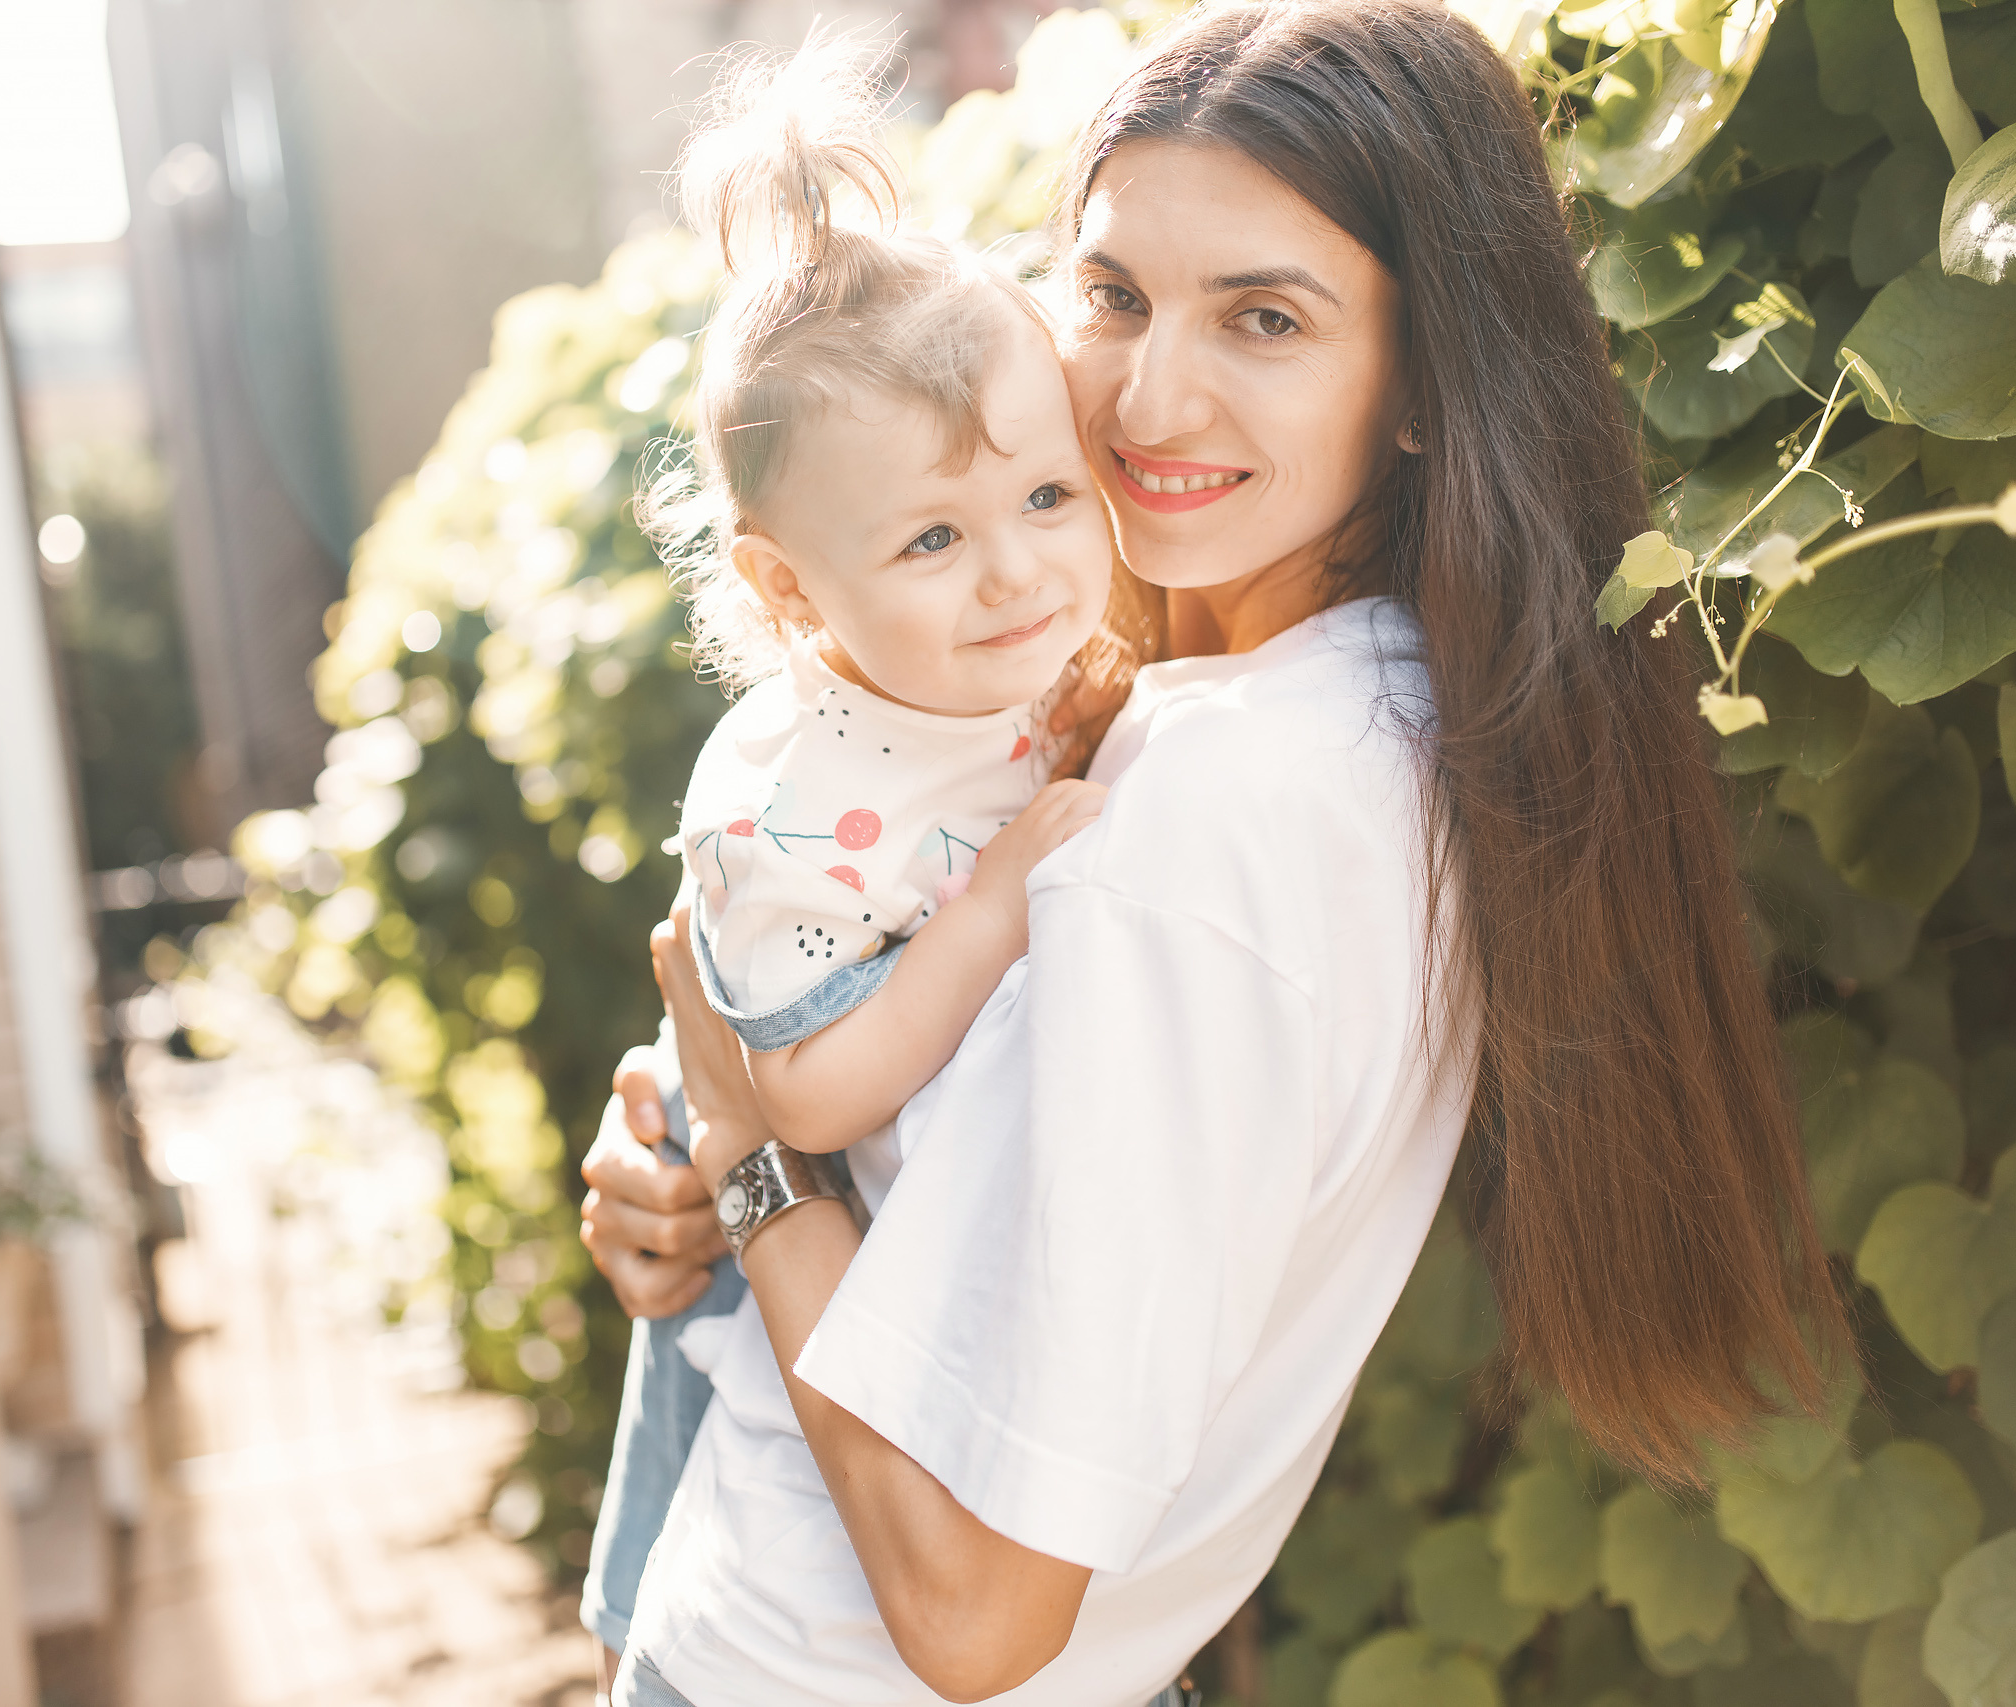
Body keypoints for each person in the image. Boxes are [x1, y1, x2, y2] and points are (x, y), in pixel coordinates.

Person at [582, 4, 1845, 1702]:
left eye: (1266, 316)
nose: (1146, 394)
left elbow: (974, 1617)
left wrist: (755, 1165)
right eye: (1110, 296)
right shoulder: (1361, 716)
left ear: (1421, 385)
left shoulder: (1208, 814)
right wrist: (702, 1150)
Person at [575, 36, 1138, 1688]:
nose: (1022, 574)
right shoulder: (795, 810)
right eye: (934, 540)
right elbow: (798, 1103)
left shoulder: (1009, 672)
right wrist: (992, 915)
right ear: (794, 593)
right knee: (695, 1404)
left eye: (1050, 493)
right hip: (784, 1307)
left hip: (839, 1316)